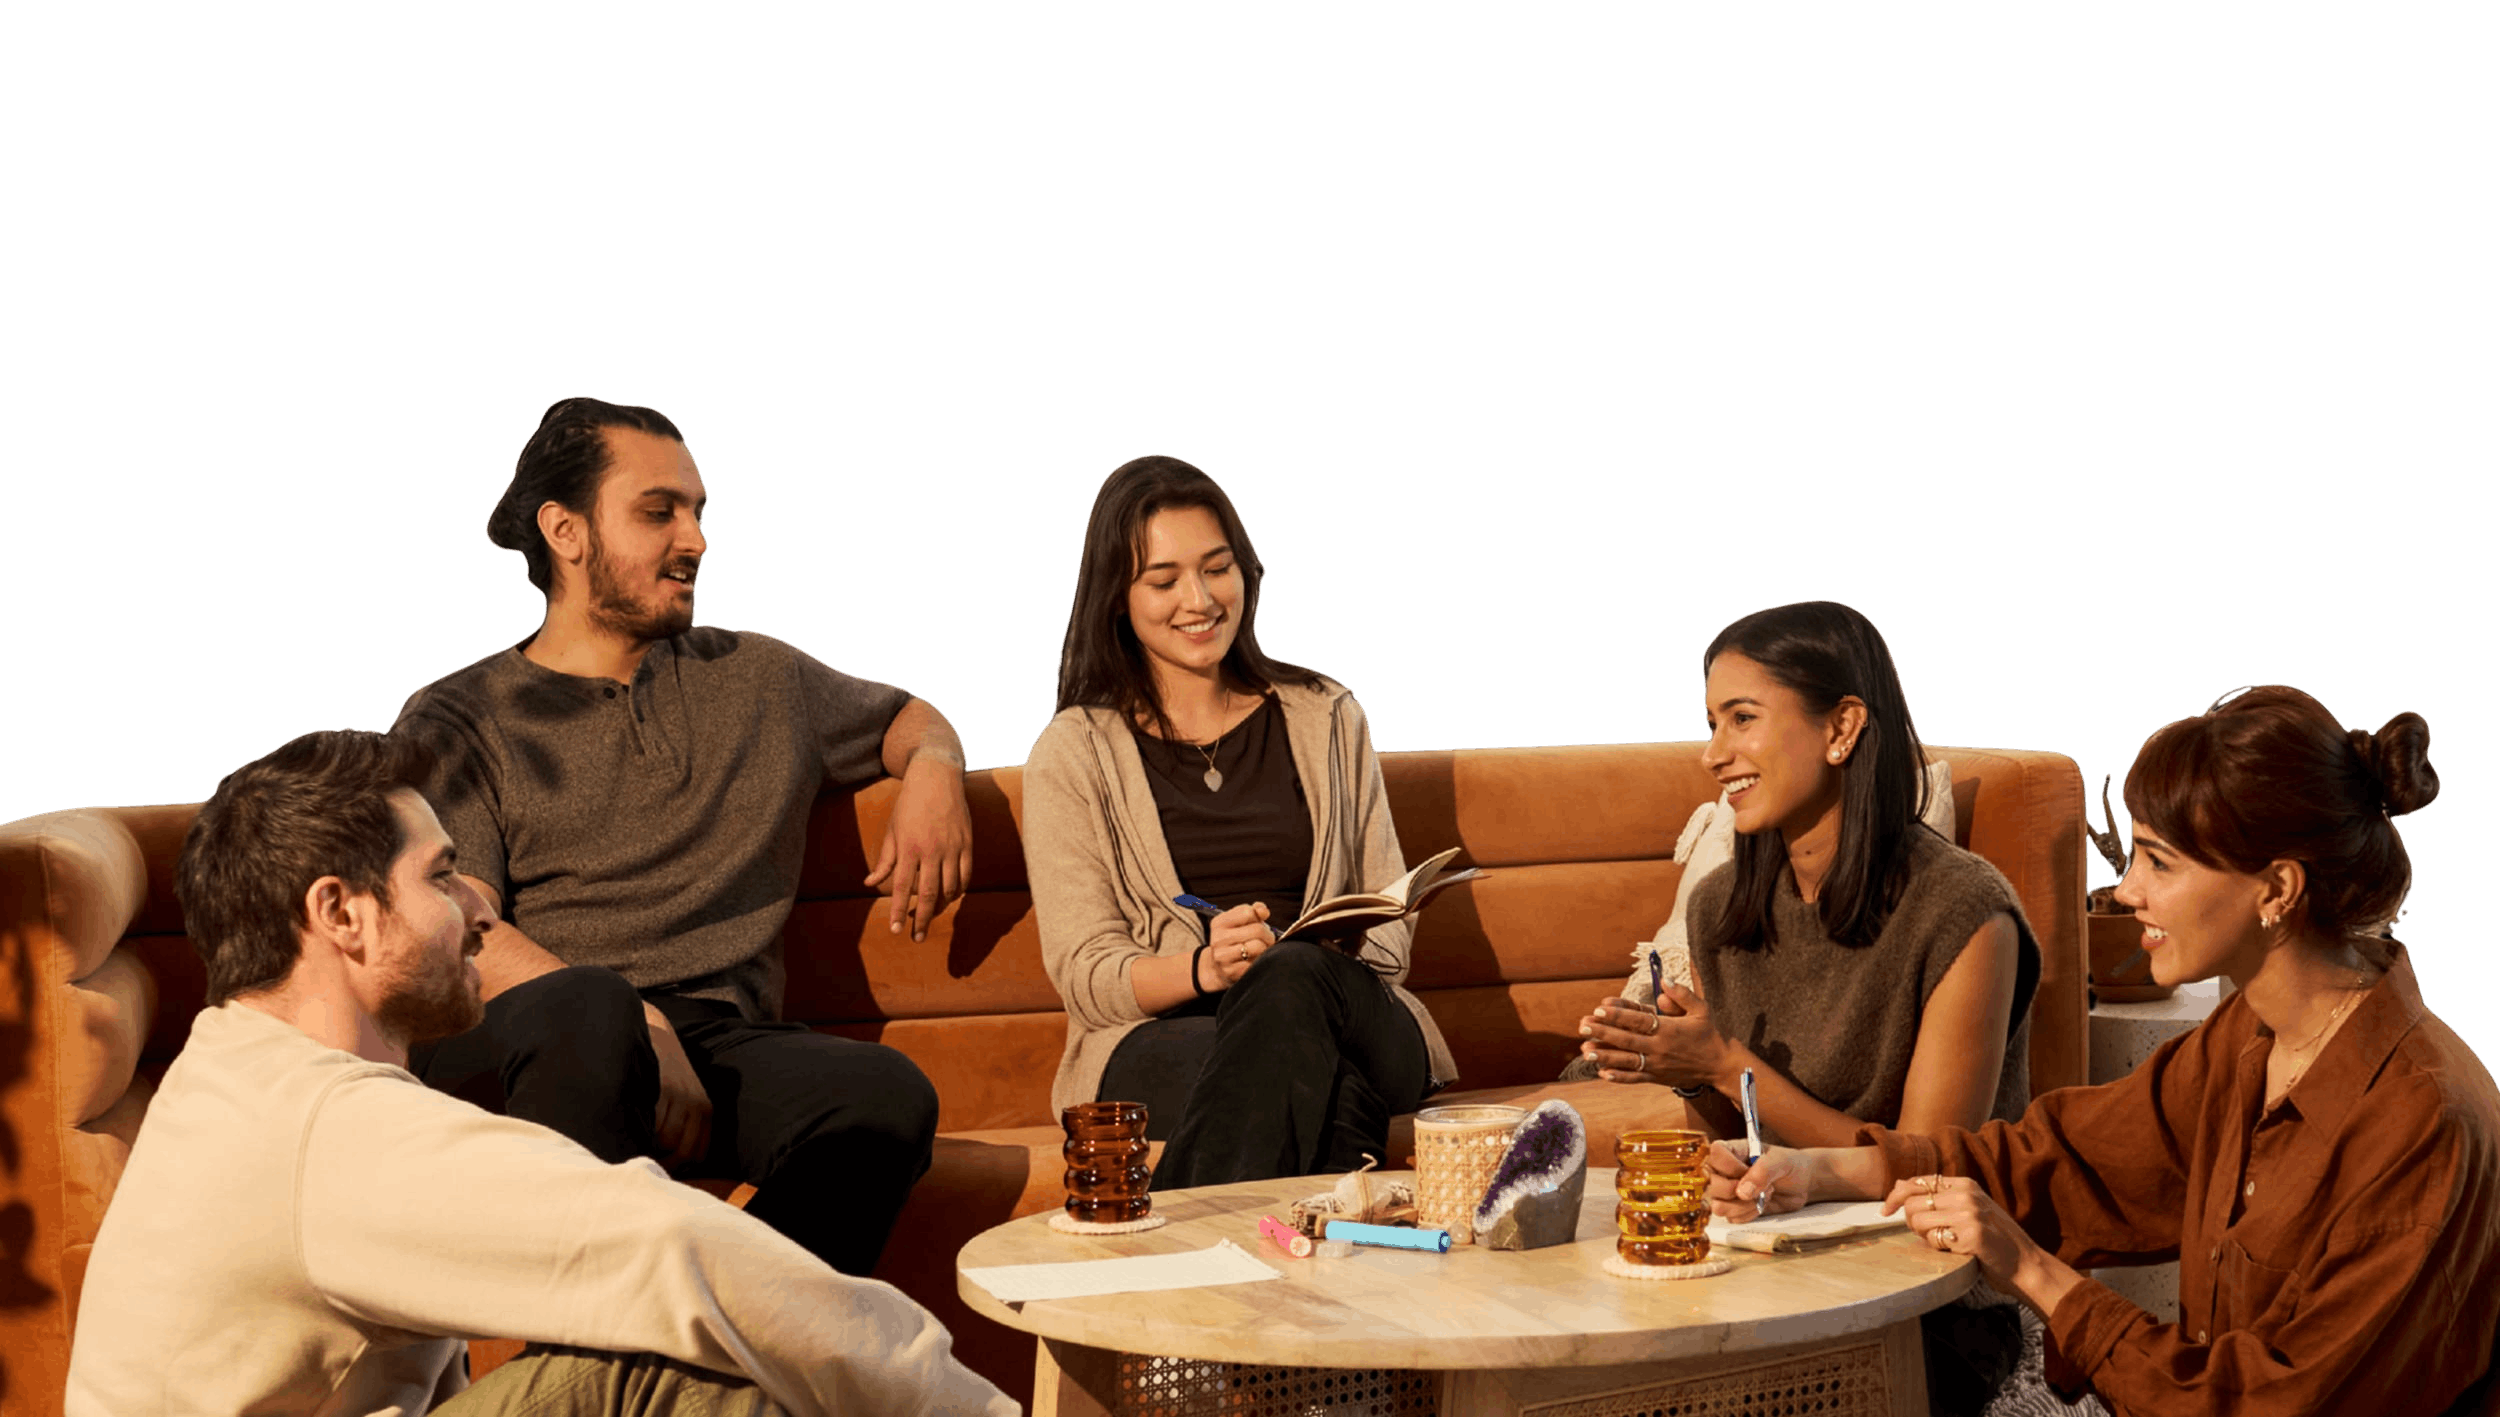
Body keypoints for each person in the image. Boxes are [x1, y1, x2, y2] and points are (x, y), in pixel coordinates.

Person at [66, 729, 1013, 1415]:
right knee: (684, 1368)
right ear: (341, 914)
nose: (477, 908)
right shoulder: (328, 1132)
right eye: (439, 876)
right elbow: (662, 1245)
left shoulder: (238, 1072)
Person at [1710, 686, 2498, 1416]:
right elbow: (2063, 1156)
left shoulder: (2421, 1116)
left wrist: (2031, 1270)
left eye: (2160, 860)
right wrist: (1822, 1172)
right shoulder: (2247, 1039)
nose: (2126, 890)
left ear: (2277, 888)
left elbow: (2268, 1401)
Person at [388, 396, 972, 1277]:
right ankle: (586, 1366)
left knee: (882, 1096)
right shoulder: (459, 714)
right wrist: (633, 1017)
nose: (693, 539)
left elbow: (907, 717)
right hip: (532, 1032)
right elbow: (456, 916)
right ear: (566, 530)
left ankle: (719, 1352)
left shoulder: (763, 677)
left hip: (715, 1037)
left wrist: (934, 766)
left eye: (698, 513)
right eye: (657, 511)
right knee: (589, 1013)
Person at [1571, 600, 2044, 1411]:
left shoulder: (1967, 911)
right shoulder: (1721, 906)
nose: (1714, 754)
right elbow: (1748, 1140)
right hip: (1765, 1276)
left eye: (1742, 719)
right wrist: (1684, 1066)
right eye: (1711, 722)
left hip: (1927, 1304)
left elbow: (1929, 1163)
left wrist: (1724, 1062)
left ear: (1843, 727)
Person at [1022, 455, 1457, 1189]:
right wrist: (1205, 967)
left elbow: (1390, 929)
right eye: (1163, 581)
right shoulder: (1073, 752)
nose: (1198, 598)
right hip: (1164, 1033)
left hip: (1353, 1009)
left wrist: (1314, 955)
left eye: (1217, 568)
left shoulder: (1328, 714)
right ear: (1116, 597)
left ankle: (1171, 1267)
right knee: (1331, 1092)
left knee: (1292, 982)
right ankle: (1328, 1279)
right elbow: (1087, 973)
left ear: (1246, 574)